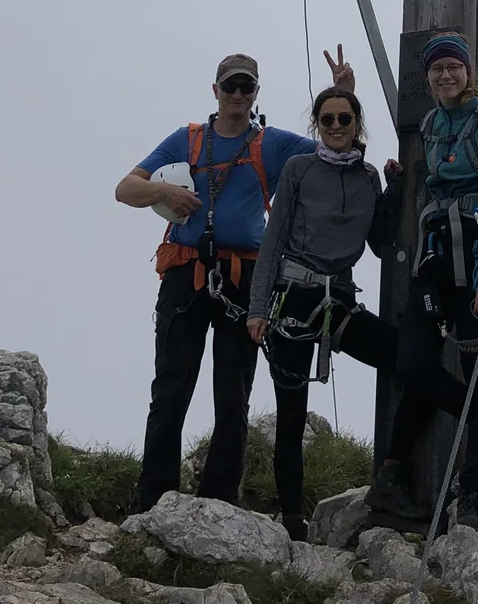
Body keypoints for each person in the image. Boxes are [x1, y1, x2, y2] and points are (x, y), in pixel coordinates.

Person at [116, 47, 354, 512]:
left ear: (256, 92)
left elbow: (333, 149)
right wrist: (164, 191)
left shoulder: (272, 144)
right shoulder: (186, 140)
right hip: (187, 274)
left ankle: (218, 502)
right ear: (216, 90)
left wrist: (342, 96)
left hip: (245, 279)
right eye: (231, 86)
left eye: (247, 86)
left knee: (232, 393)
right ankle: (154, 502)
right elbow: (125, 189)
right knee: (171, 388)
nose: (238, 94)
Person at [363, 31, 478, 531]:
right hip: (434, 262)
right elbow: (434, 187)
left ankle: (472, 494)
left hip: (476, 262)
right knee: (413, 363)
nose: (446, 75)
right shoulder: (431, 124)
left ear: (469, 71)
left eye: (454, 67)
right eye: (437, 69)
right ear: (428, 76)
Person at [245, 87, 402, 542]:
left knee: (404, 359)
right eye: (327, 120)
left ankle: (395, 474)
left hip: (340, 300)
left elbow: (381, 242)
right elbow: (273, 239)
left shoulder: (367, 177)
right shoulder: (299, 168)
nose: (335, 126)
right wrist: (258, 309)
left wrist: (395, 190)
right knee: (291, 415)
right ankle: (292, 520)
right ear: (317, 124)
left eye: (344, 119)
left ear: (356, 125)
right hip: (293, 298)